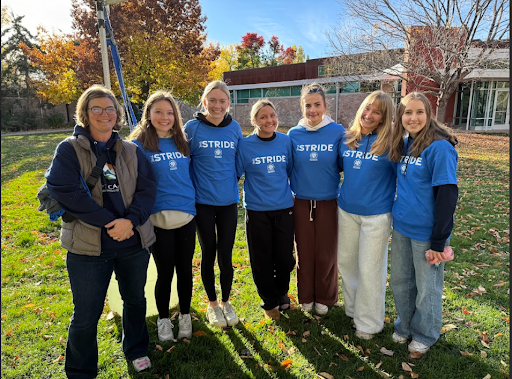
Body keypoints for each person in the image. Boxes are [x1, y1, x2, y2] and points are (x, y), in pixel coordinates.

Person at [45, 85, 157, 377]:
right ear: (84, 113)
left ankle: (136, 349)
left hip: (132, 243)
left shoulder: (131, 150)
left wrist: (130, 222)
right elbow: (67, 192)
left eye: (110, 108)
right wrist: (111, 223)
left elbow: (148, 190)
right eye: (97, 108)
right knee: (86, 313)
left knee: (135, 301)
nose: (104, 114)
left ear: (117, 115)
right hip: (88, 247)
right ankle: (81, 371)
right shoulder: (68, 149)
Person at [388, 92, 458, 355]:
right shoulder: (406, 143)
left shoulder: (440, 148)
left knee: (427, 288)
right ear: (401, 116)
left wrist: (439, 240)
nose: (413, 117)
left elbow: (447, 196)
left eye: (419, 112)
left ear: (429, 115)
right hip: (402, 226)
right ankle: (404, 326)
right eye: (408, 112)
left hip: (428, 233)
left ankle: (425, 334)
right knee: (402, 282)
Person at [128, 90, 196, 341]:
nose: (164, 117)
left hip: (187, 215)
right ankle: (164, 319)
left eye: (169, 113)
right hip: (157, 218)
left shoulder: (183, 142)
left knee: (185, 270)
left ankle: (186, 315)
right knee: (165, 272)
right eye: (158, 112)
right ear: (148, 114)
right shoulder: (137, 145)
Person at [336, 90, 396, 340]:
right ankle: (352, 310)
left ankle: (369, 323)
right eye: (367, 108)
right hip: (346, 211)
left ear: (384, 118)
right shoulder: (347, 138)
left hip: (376, 216)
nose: (369, 115)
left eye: (377, 112)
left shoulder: (393, 143)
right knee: (347, 264)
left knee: (371, 270)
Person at [184, 80, 242, 328]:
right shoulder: (192, 128)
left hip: (228, 202)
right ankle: (212, 303)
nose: (218, 106)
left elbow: (238, 162)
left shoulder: (235, 128)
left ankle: (227, 301)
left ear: (228, 103)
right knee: (208, 253)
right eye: (213, 100)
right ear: (204, 100)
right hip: (203, 204)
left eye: (223, 101)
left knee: (226, 254)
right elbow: (183, 163)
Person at [288, 82, 346, 315]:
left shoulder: (338, 132)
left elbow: (344, 165)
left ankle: (325, 296)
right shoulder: (293, 134)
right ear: (302, 106)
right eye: (308, 105)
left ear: (325, 105)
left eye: (317, 105)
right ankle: (306, 296)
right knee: (304, 251)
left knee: (326, 252)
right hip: (300, 202)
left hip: (328, 202)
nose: (312, 110)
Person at [236, 99, 295, 321]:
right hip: (257, 210)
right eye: (263, 117)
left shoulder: (286, 141)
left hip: (284, 208)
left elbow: (288, 170)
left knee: (283, 256)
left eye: (272, 115)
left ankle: (282, 292)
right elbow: (237, 173)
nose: (269, 120)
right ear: (254, 121)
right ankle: (269, 301)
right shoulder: (245, 145)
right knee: (261, 259)